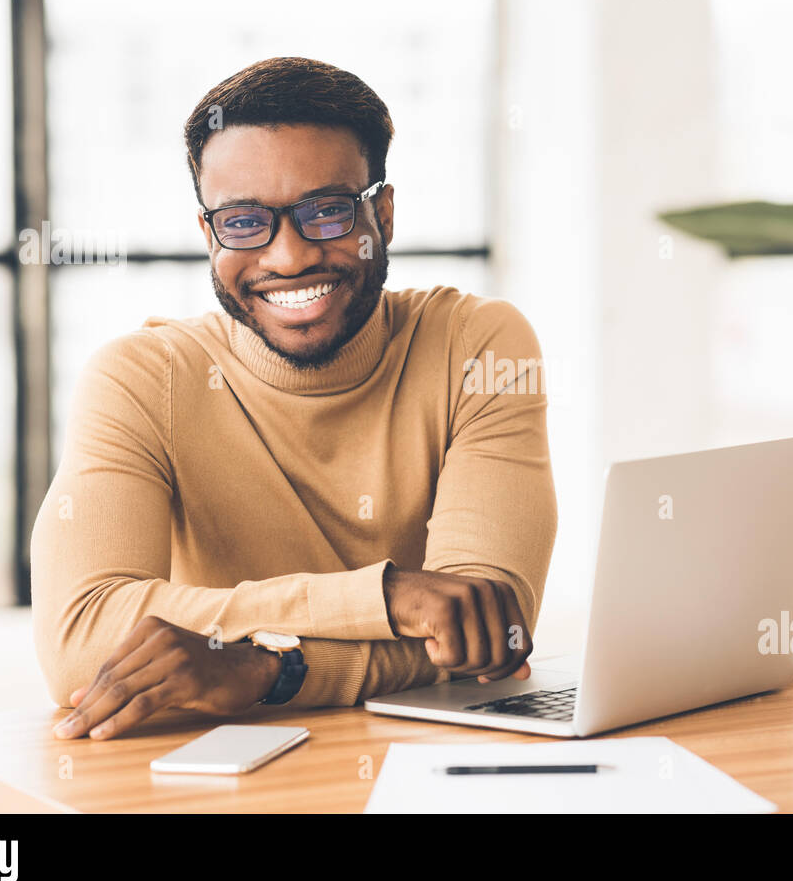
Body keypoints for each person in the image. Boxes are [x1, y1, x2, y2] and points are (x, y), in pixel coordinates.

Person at [32, 57, 557, 741]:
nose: (287, 258)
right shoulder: (141, 378)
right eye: (245, 222)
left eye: (328, 211)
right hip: (215, 775)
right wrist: (388, 597)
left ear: (384, 215)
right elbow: (79, 644)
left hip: (426, 761)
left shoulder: (480, 346)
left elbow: (487, 634)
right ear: (208, 235)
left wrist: (264, 670)